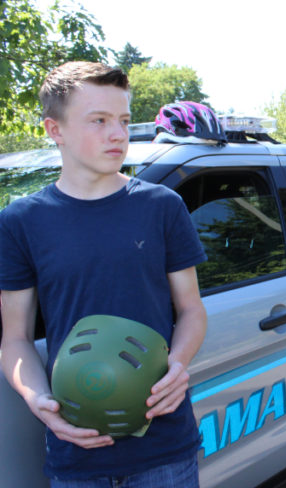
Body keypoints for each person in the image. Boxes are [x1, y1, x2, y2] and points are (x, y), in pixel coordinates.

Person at [0, 61, 208, 487]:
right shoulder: (20, 221)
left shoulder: (162, 207)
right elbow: (16, 337)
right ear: (54, 129)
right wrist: (36, 398)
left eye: (124, 120)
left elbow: (191, 310)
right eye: (99, 120)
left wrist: (178, 365)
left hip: (164, 446)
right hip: (75, 451)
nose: (118, 134)